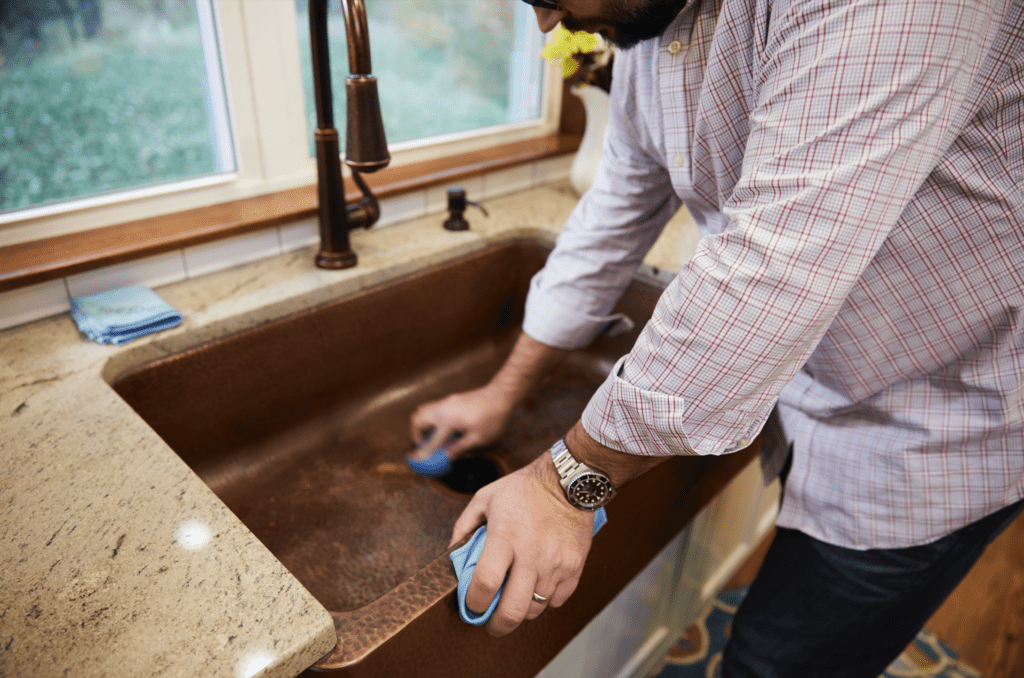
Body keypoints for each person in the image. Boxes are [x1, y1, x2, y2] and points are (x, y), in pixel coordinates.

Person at [411, 0, 1024, 675]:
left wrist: (567, 484)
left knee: (774, 663)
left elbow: (773, 265)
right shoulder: (653, 38)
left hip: (941, 423)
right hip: (832, 383)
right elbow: (611, 220)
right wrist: (503, 394)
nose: (546, 24)